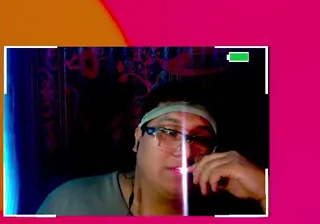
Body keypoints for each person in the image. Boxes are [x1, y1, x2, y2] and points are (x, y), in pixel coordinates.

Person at [36, 81, 267, 216]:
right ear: (138, 139)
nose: (186, 152)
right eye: (169, 132)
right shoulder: (71, 203)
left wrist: (266, 192)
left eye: (199, 138)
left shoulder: (233, 208)